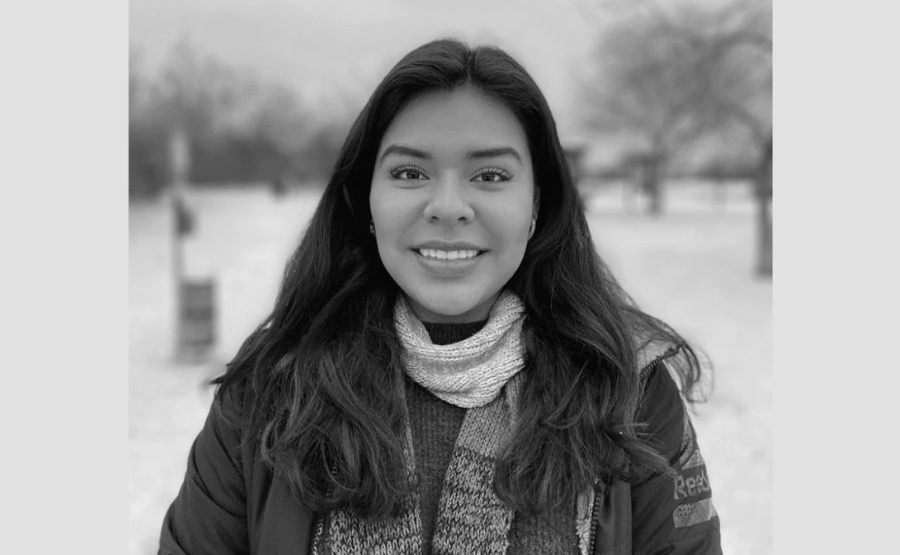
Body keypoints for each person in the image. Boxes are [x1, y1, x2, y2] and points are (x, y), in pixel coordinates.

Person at [158, 38, 722, 555]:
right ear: (367, 203)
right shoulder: (272, 392)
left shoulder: (627, 391)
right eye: (409, 172)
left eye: (491, 176)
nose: (448, 206)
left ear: (537, 208)